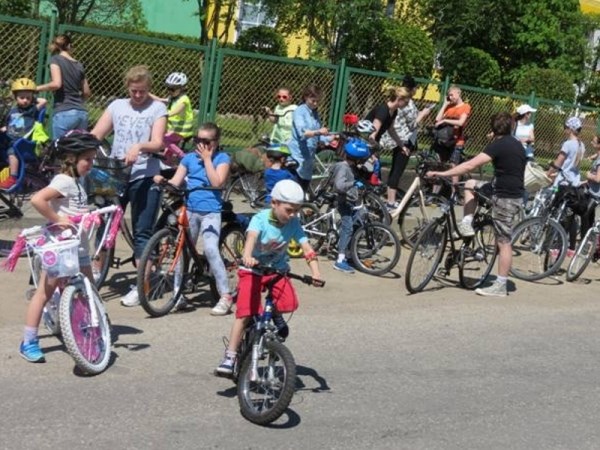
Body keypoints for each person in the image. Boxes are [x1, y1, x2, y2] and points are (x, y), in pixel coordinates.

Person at [215, 179, 322, 376]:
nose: (292, 215)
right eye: (289, 210)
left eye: (296, 211)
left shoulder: (294, 223)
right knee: (245, 313)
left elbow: (307, 248)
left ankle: (274, 314)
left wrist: (315, 272)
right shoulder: (260, 219)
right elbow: (252, 238)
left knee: (289, 302)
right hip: (252, 270)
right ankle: (230, 356)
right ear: (274, 203)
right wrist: (247, 256)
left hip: (276, 271)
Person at [19, 131, 99, 362]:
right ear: (72, 159)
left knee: (88, 291)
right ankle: (29, 341)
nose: (91, 165)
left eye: (93, 159)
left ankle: (88, 326)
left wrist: (89, 214)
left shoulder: (77, 182)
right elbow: (37, 200)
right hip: (62, 250)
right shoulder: (64, 180)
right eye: (88, 160)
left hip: (80, 249)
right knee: (45, 292)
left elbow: (73, 209)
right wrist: (57, 220)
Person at [427, 112, 526, 298]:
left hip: (505, 197)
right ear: (511, 127)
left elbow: (469, 165)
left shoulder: (498, 145)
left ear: (493, 128)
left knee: (504, 241)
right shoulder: (517, 145)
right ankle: (468, 221)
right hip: (508, 192)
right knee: (471, 184)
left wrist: (441, 174)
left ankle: (500, 286)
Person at [91, 65, 167, 307]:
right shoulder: (117, 106)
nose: (137, 96)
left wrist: (139, 147)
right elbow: (96, 134)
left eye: (142, 91)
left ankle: (143, 283)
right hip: (116, 174)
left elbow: (157, 143)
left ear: (149, 89)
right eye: (134, 91)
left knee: (142, 230)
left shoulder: (158, 108)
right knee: (104, 224)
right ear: (127, 87)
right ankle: (95, 272)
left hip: (145, 174)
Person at [153, 122, 234, 315]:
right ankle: (177, 294)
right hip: (190, 209)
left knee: (210, 248)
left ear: (216, 142)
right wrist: (164, 181)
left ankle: (226, 295)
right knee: (181, 250)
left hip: (211, 212)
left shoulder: (222, 158)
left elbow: (217, 182)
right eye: (198, 140)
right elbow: (176, 182)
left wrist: (207, 160)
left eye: (206, 141)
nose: (201, 145)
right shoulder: (188, 159)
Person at [380, 76, 433, 209]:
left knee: (394, 169)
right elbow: (412, 124)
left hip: (395, 137)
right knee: (397, 170)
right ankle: (390, 201)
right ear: (413, 89)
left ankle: (390, 198)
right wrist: (424, 114)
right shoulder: (407, 103)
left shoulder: (400, 98)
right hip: (403, 139)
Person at [36, 34, 90, 139]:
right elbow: (87, 92)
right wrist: (79, 103)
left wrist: (36, 88)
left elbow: (57, 84)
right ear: (69, 46)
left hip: (64, 111)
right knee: (77, 151)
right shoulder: (79, 65)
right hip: (81, 113)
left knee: (60, 149)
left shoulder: (55, 59)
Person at [546, 116, 586, 257]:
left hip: (563, 183)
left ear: (570, 129)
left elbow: (559, 162)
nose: (564, 130)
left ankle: (554, 246)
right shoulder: (581, 145)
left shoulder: (568, 144)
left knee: (555, 212)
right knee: (571, 216)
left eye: (566, 127)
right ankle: (571, 247)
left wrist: (549, 172)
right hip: (574, 183)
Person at [331, 137, 371, 274]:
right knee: (347, 227)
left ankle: (348, 252)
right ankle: (340, 260)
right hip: (343, 201)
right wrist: (353, 184)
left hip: (351, 201)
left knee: (358, 222)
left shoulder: (352, 167)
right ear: (357, 158)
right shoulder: (343, 167)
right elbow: (339, 186)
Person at [0, 78, 47, 190]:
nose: (25, 100)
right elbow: (10, 124)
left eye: (28, 98)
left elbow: (44, 101)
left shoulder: (31, 110)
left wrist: (33, 95)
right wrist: (4, 128)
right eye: (22, 98)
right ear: (16, 98)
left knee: (12, 150)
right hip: (9, 138)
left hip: (22, 142)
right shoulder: (12, 111)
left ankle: (13, 177)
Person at [288, 84, 330, 192]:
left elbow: (318, 136)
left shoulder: (314, 113)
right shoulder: (300, 111)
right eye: (313, 100)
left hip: (307, 160)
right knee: (294, 194)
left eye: (318, 101)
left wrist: (331, 138)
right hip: (297, 158)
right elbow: (303, 133)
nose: (315, 104)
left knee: (302, 193)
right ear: (306, 97)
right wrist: (318, 132)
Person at [433, 85, 471, 166]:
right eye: (449, 95)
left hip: (457, 141)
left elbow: (461, 122)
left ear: (458, 93)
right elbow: (437, 120)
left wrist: (445, 120)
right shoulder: (449, 107)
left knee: (453, 166)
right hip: (446, 141)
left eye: (452, 95)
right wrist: (444, 105)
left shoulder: (465, 106)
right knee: (441, 165)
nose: (450, 97)